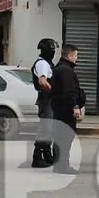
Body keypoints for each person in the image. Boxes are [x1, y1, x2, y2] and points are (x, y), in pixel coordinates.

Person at [49, 43, 86, 175]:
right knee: (65, 137)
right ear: (69, 55)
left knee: (60, 136)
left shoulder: (61, 68)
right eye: (76, 55)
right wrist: (75, 106)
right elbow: (69, 91)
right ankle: (63, 165)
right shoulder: (66, 70)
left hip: (59, 108)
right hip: (65, 109)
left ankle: (59, 165)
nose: (77, 58)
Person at [31, 38, 58, 168]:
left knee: (49, 128)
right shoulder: (42, 64)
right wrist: (54, 92)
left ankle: (47, 155)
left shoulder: (46, 63)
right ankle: (38, 156)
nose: (53, 52)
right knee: (46, 128)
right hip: (46, 100)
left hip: (48, 100)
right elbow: (42, 82)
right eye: (52, 50)